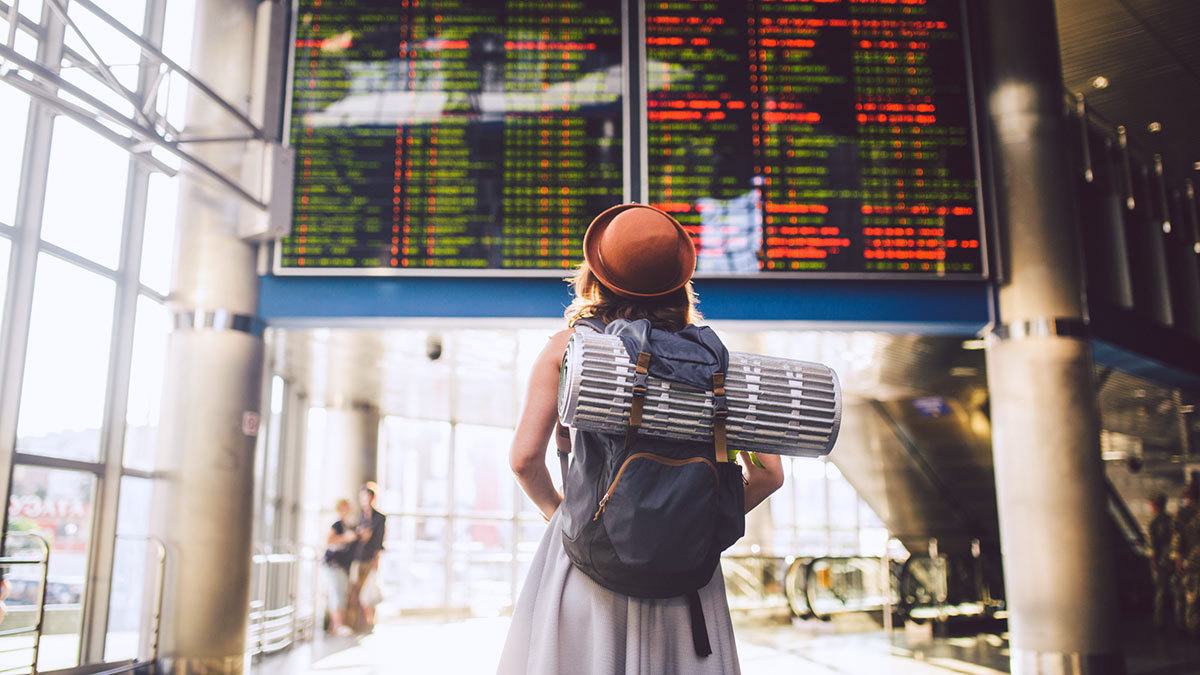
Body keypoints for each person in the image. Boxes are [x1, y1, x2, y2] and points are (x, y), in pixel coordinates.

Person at [498, 203, 785, 674]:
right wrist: (690, 520)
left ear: (597, 275)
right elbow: (768, 475)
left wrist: (568, 514)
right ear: (679, 281)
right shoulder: (719, 365)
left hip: (589, 565)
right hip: (688, 581)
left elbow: (524, 459)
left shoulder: (568, 349)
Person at [351, 482, 386, 633]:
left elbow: (378, 541)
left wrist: (375, 560)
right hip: (358, 558)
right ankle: (360, 623)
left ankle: (370, 622)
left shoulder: (379, 518)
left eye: (367, 496)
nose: (364, 499)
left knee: (369, 592)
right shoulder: (360, 516)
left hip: (370, 558)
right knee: (357, 591)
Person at [323, 498, 358, 637]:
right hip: (334, 565)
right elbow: (329, 540)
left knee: (340, 593)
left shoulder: (347, 525)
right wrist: (346, 538)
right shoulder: (337, 525)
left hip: (343, 565)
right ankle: (339, 625)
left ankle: (335, 625)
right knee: (337, 593)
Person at [1174, 482, 1200, 636]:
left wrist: (1178, 560)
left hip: (1191, 562)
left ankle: (1194, 630)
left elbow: (1178, 538)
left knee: (1192, 598)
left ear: (1186, 495)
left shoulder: (1182, 513)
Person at [1148, 493, 1174, 632]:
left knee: (1160, 592)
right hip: (1173, 560)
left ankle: (1159, 622)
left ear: (1154, 505)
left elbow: (1152, 546)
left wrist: (1153, 563)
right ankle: (1180, 621)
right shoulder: (1171, 519)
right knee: (1178, 592)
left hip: (1160, 561)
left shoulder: (1153, 522)